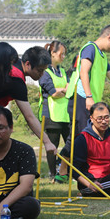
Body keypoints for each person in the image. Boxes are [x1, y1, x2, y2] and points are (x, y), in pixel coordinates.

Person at [58, 25, 110, 181]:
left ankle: (63, 171)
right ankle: (75, 175)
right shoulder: (90, 49)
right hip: (81, 98)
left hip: (90, 101)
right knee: (83, 138)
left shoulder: (103, 56)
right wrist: (88, 96)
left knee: (76, 137)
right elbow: (83, 72)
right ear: (109, 37)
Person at [0, 46, 57, 154]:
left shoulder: (14, 63)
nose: (42, 74)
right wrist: (47, 142)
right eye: (40, 70)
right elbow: (29, 117)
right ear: (28, 64)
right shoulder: (17, 80)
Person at [38, 40, 70, 181]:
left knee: (71, 143)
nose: (63, 56)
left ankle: (63, 169)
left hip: (65, 114)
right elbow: (53, 93)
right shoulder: (45, 72)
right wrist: (62, 90)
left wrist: (61, 90)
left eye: (64, 54)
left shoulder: (62, 71)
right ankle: (53, 175)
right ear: (53, 53)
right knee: (52, 146)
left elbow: (69, 89)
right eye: (61, 54)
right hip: (51, 115)